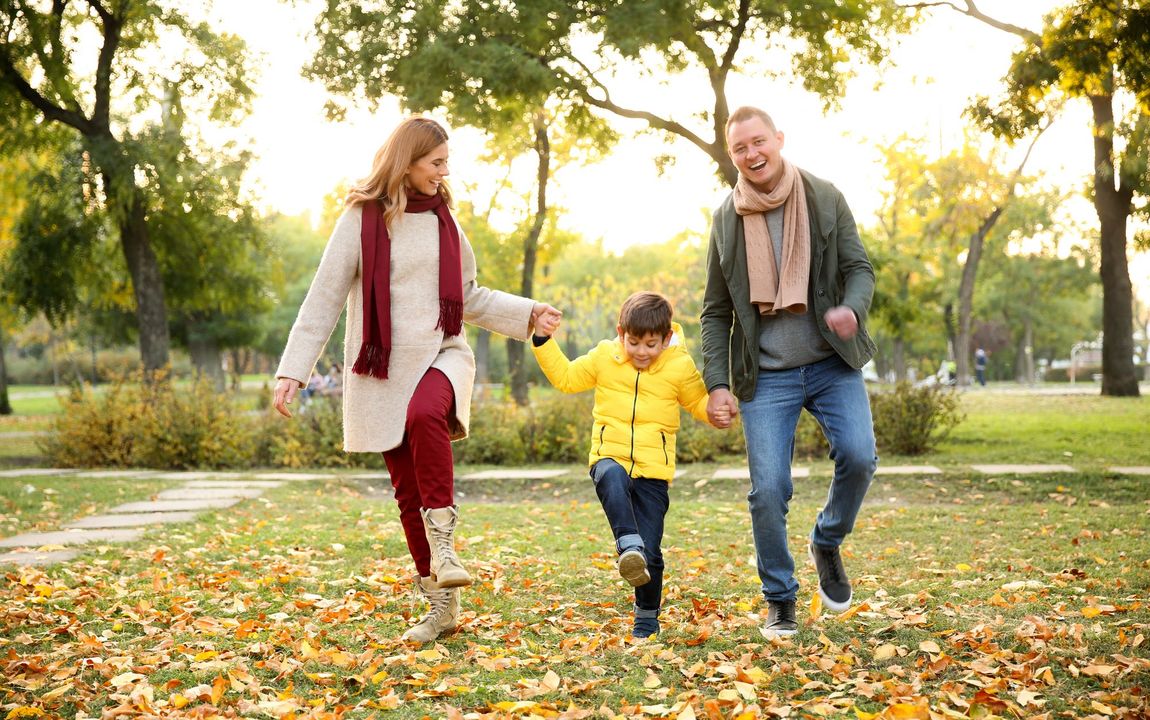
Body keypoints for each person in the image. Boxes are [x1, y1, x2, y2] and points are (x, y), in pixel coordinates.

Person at [272, 117, 561, 645]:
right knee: (408, 494)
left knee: (427, 414)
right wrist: (294, 369)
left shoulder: (443, 217)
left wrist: (528, 313)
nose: (445, 172)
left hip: (441, 353)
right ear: (406, 162)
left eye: (446, 162)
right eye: (437, 163)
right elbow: (324, 297)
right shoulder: (361, 219)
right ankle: (440, 605)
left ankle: (446, 546)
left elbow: (468, 296)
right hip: (381, 369)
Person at [700, 106, 878, 638]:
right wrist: (717, 383)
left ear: (779, 138)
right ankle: (780, 598)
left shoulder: (824, 196)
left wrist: (852, 307)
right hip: (767, 375)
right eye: (740, 148)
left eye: (759, 142)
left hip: (830, 363)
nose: (752, 154)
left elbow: (859, 269)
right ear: (732, 155)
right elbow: (715, 310)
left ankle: (826, 540)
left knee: (859, 457)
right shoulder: (727, 219)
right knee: (769, 490)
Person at [531, 291, 730, 639]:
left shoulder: (679, 366)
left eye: (651, 344)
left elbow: (697, 402)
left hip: (654, 472)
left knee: (650, 555)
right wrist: (543, 339)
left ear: (667, 339)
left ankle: (646, 617)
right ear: (621, 332)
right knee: (610, 474)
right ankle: (628, 543)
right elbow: (565, 378)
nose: (641, 352)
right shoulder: (605, 357)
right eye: (633, 342)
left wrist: (715, 411)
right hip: (610, 456)